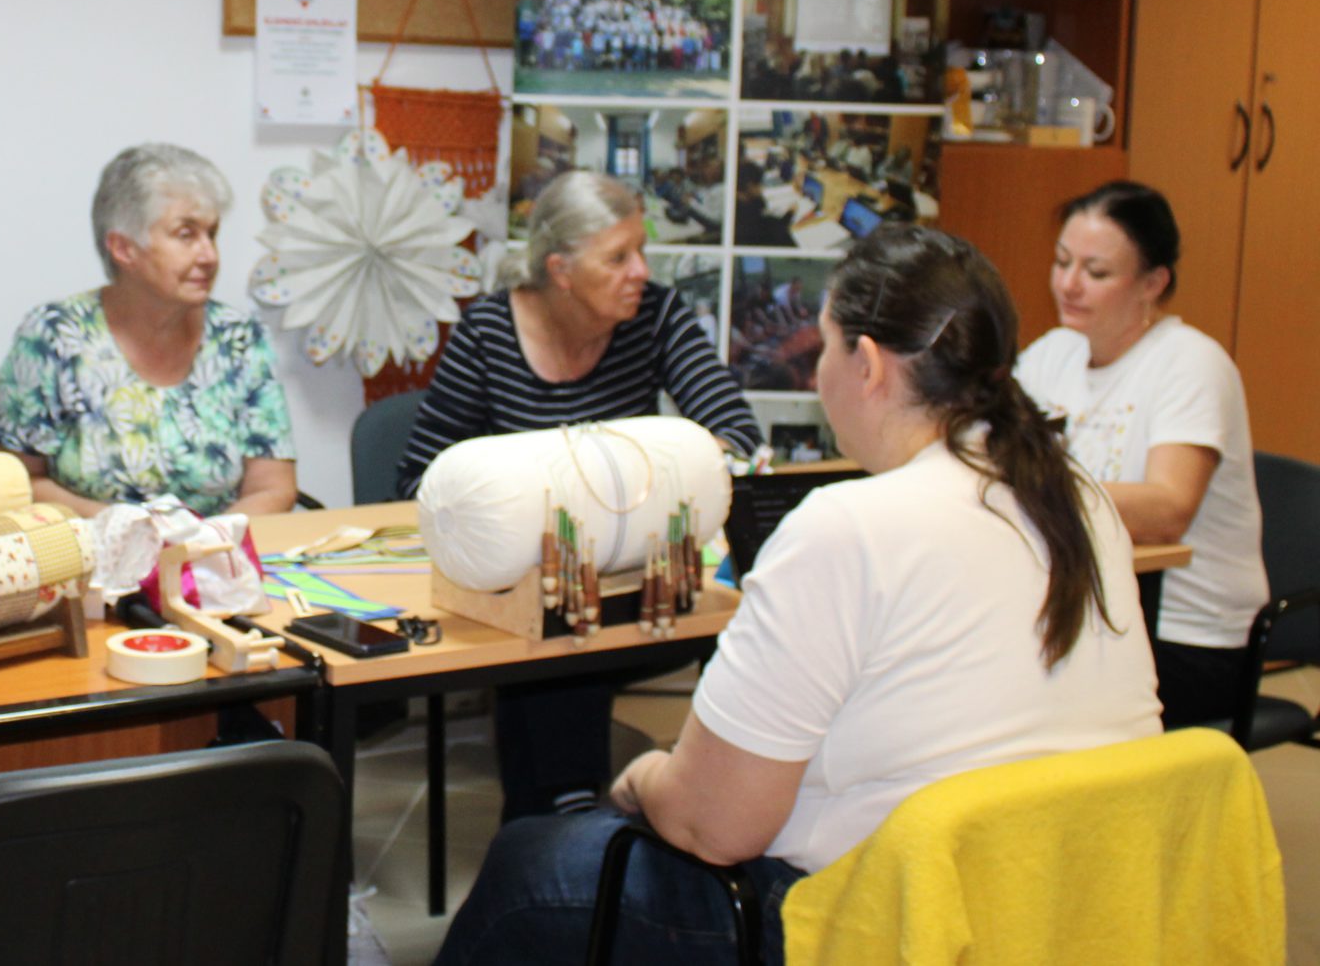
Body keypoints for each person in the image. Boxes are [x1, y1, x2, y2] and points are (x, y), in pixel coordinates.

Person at [436, 226, 1159, 964]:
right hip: (1064, 895)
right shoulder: (1080, 501)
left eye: (824, 347)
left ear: (869, 364)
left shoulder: (847, 527)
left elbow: (711, 827)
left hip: (886, 915)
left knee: (530, 863)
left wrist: (640, 777)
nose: (819, 373)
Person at [400, 171, 763, 823]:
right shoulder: (488, 331)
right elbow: (420, 479)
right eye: (618, 256)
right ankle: (563, 824)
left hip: (646, 594)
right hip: (523, 600)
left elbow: (734, 437)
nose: (640, 271)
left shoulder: (657, 316)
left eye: (641, 250)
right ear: (561, 269)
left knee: (564, 639)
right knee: (558, 632)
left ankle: (551, 831)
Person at [1016, 180, 1267, 729]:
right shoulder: (1050, 355)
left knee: (1013, 700)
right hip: (1090, 609)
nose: (1069, 285)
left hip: (1185, 632)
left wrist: (1033, 489)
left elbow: (1168, 509)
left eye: (1096, 272)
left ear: (1154, 282)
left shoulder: (1191, 364)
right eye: (1062, 262)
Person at [0, 143, 297, 517]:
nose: (209, 255)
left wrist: (204, 543)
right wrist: (127, 531)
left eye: (212, 234)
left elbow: (273, 486)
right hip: (91, 557)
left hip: (212, 560)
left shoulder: (239, 339)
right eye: (185, 234)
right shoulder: (54, 337)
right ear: (123, 248)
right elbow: (19, 483)